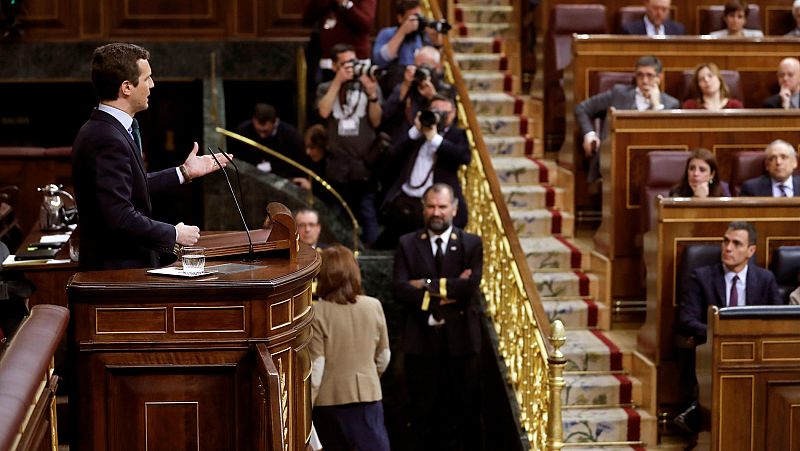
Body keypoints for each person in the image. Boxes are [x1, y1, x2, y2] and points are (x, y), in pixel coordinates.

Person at [72, 43, 229, 271]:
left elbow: (131, 185)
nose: (152, 85)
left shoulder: (108, 129)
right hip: (115, 273)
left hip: (122, 267)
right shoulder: (106, 138)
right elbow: (119, 216)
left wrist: (184, 173)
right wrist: (174, 233)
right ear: (127, 87)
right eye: (147, 79)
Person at [393, 183, 483, 451]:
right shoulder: (407, 243)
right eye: (431, 206)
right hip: (420, 344)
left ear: (454, 210)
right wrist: (447, 287)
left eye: (442, 207)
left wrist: (425, 284)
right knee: (421, 416)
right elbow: (399, 289)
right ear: (423, 209)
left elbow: (469, 287)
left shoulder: (471, 243)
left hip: (462, 346)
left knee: (462, 416)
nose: (436, 212)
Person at [674, 221, 782, 433]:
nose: (728, 248)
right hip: (713, 349)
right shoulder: (701, 277)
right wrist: (720, 335)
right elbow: (687, 320)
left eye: (736, 243)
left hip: (753, 353)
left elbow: (777, 319)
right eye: (725, 241)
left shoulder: (765, 279)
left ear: (751, 250)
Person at [310, 245, 391, 451]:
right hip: (369, 398)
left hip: (330, 403)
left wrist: (304, 407)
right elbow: (384, 356)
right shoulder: (374, 305)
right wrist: (369, 378)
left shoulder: (316, 312)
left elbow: (316, 368)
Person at [379, 95, 470, 248]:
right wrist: (415, 130)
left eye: (444, 113)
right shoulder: (417, 134)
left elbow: (463, 156)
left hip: (434, 209)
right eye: (434, 111)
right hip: (405, 204)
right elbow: (392, 153)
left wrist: (434, 138)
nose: (438, 116)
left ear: (453, 113)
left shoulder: (456, 135)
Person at [317, 43, 383, 246]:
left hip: (364, 165)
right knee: (336, 216)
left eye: (353, 62)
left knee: (368, 213)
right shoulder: (325, 87)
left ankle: (372, 260)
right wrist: (338, 82)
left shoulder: (369, 84)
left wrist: (372, 94)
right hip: (338, 166)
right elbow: (324, 112)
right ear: (335, 65)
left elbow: (377, 120)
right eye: (345, 63)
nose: (350, 67)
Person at [575, 55, 680, 181]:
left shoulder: (671, 104)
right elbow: (582, 108)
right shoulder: (619, 93)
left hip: (652, 164)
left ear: (660, 77)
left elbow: (666, 139)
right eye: (640, 75)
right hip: (614, 160)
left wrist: (656, 105)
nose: (644, 81)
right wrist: (589, 134)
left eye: (649, 75)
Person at [230, 103, 305, 180]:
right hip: (250, 178)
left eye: (266, 131)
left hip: (282, 179)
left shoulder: (291, 135)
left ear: (275, 122)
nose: (262, 136)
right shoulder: (242, 132)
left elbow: (297, 164)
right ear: (253, 120)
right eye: (258, 131)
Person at [372, 0, 424, 92]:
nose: (416, 22)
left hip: (417, 84)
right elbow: (380, 60)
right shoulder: (387, 33)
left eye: (418, 17)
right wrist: (402, 32)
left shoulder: (421, 36)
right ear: (400, 18)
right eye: (412, 18)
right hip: (393, 85)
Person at [621, 0, 685, 36]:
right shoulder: (630, 31)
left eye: (664, 9)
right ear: (646, 5)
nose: (659, 13)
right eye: (655, 8)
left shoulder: (678, 31)